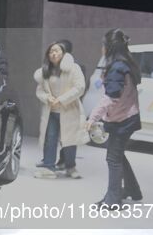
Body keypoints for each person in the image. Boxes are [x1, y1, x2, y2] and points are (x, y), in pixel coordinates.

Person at [87, 29, 142, 208]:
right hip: (127, 117)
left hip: (122, 121)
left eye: (103, 45)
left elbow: (111, 97)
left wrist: (92, 118)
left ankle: (112, 201)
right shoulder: (127, 63)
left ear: (110, 47)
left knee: (113, 159)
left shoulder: (117, 67)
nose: (101, 48)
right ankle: (132, 190)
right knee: (118, 156)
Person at [34, 42, 88, 179]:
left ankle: (70, 167)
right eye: (51, 51)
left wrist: (62, 99)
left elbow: (80, 87)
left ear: (63, 53)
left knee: (69, 140)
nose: (53, 53)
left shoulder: (74, 68)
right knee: (50, 139)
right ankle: (49, 167)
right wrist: (47, 98)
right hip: (51, 111)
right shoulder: (45, 71)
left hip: (69, 110)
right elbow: (39, 91)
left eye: (56, 51)